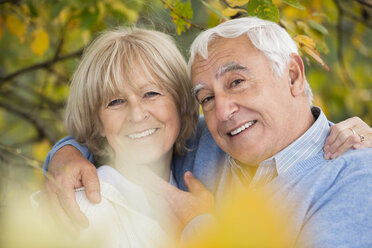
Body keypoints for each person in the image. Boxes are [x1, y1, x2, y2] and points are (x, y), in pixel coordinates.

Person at [42, 18, 372, 245]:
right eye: (207, 98)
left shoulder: (355, 177)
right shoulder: (206, 142)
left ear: (293, 76)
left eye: (237, 82)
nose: (224, 110)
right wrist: (67, 154)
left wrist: (200, 227)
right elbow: (129, 132)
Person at [37, 27, 200, 246]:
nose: (137, 114)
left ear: (180, 103)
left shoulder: (207, 187)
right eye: (115, 102)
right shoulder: (83, 208)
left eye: (151, 93)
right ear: (98, 122)